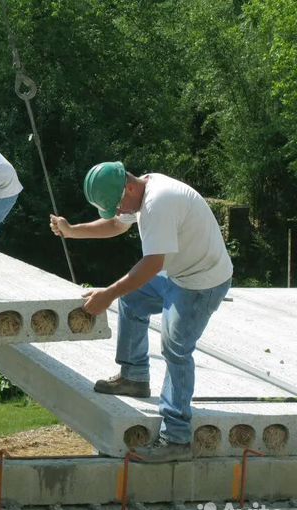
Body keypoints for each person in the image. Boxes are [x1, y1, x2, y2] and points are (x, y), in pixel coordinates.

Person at [50, 162, 233, 462]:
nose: (120, 210)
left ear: (130, 187)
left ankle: (176, 438)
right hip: (179, 273)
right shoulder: (136, 190)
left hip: (202, 282)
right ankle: (134, 377)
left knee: (175, 347)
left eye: (119, 204)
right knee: (132, 298)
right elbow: (115, 225)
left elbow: (152, 265)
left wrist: (107, 294)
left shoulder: (158, 202)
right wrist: (72, 231)